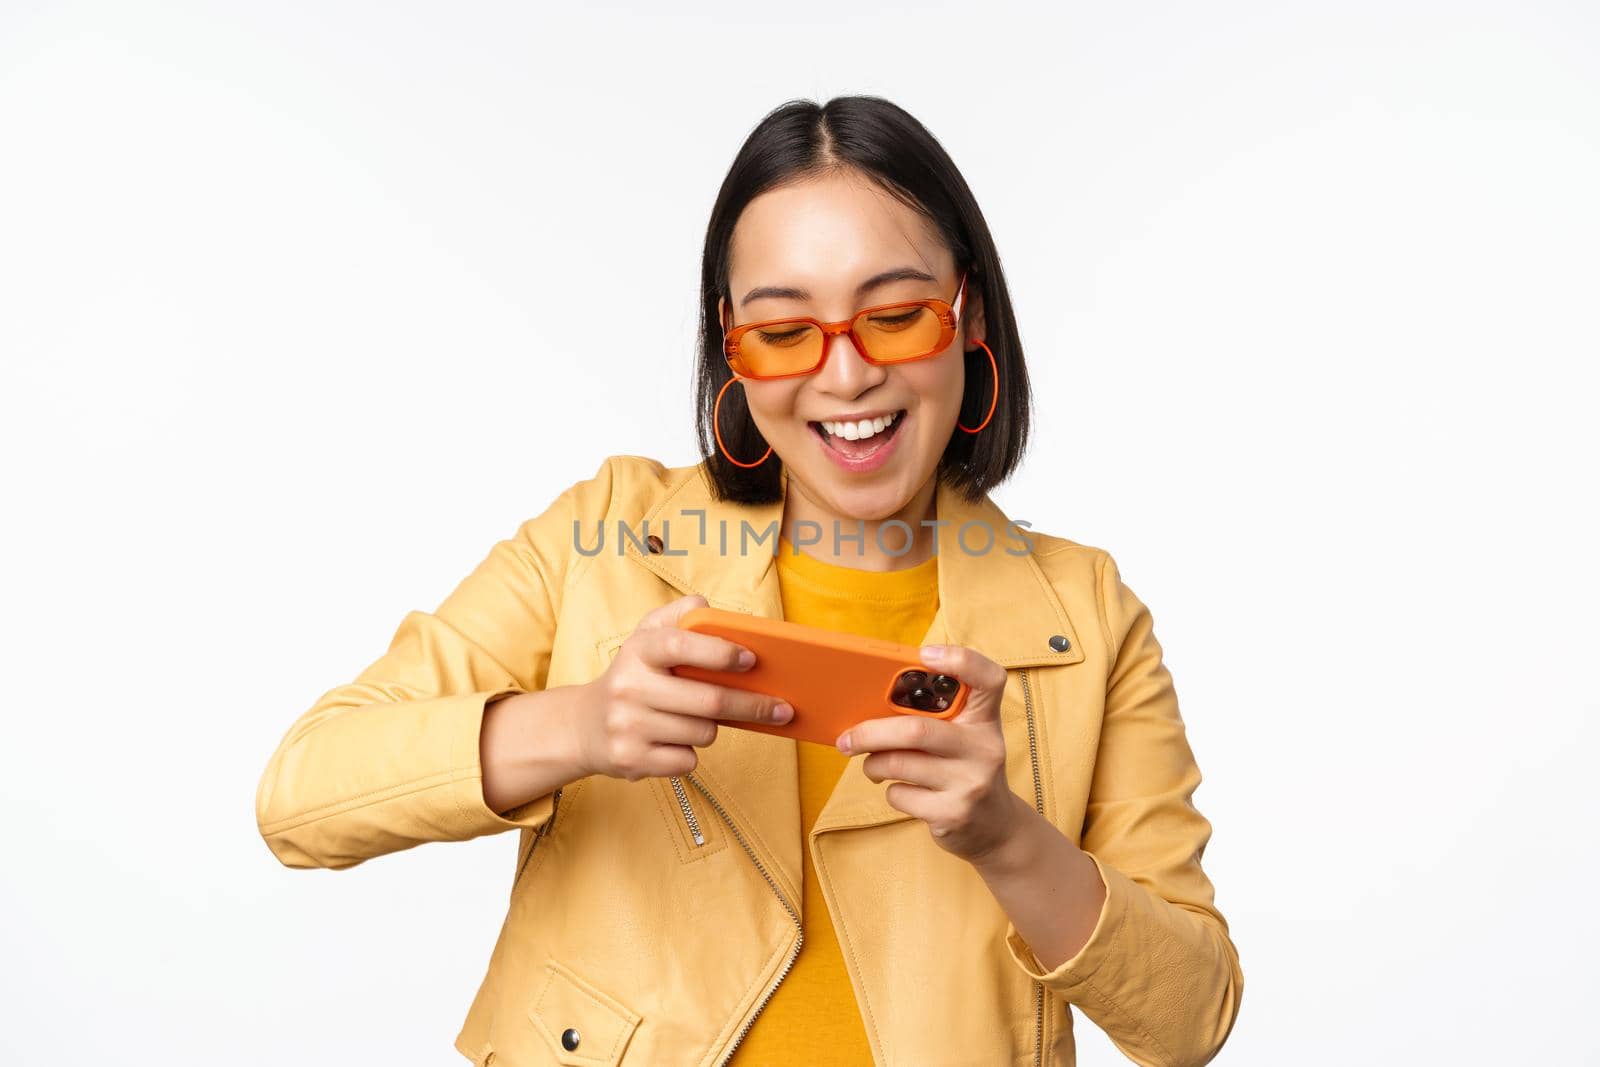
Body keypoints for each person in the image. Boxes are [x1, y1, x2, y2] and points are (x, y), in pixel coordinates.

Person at [255, 95, 1243, 1067]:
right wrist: (582, 726)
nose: (846, 375)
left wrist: (1004, 833)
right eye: (783, 332)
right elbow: (301, 797)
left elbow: (1189, 1017)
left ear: (966, 311)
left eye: (895, 315)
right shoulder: (605, 538)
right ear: (730, 339)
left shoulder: (1087, 613)